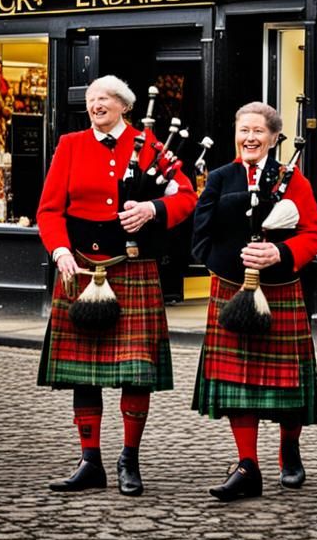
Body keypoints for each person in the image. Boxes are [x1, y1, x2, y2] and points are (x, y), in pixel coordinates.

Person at [37, 75, 197, 496]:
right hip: (80, 268)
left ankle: (129, 459)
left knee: (136, 372)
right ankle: (89, 461)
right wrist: (59, 251)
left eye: (104, 98)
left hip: (132, 267)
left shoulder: (151, 146)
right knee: (82, 374)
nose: (95, 105)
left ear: (124, 105)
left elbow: (186, 196)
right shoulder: (70, 145)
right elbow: (49, 210)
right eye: (91, 99)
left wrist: (152, 209)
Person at [191, 101, 317, 501]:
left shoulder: (292, 178)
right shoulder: (220, 177)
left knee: (287, 387)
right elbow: (200, 234)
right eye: (243, 130)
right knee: (237, 383)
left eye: (258, 131)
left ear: (274, 137)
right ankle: (247, 465)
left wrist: (279, 254)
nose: (249, 138)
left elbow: (313, 235)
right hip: (231, 289)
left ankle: (289, 448)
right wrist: (225, 265)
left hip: (280, 288)